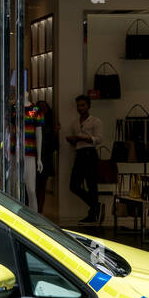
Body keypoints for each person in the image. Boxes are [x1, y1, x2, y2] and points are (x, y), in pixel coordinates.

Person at [65, 94, 103, 223]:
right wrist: (72, 140)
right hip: (80, 153)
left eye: (82, 105)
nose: (80, 108)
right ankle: (95, 205)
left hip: (90, 153)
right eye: (78, 105)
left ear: (88, 106)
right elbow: (76, 141)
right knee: (74, 185)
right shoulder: (75, 122)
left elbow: (98, 139)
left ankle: (93, 213)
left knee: (92, 184)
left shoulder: (95, 121)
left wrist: (83, 138)